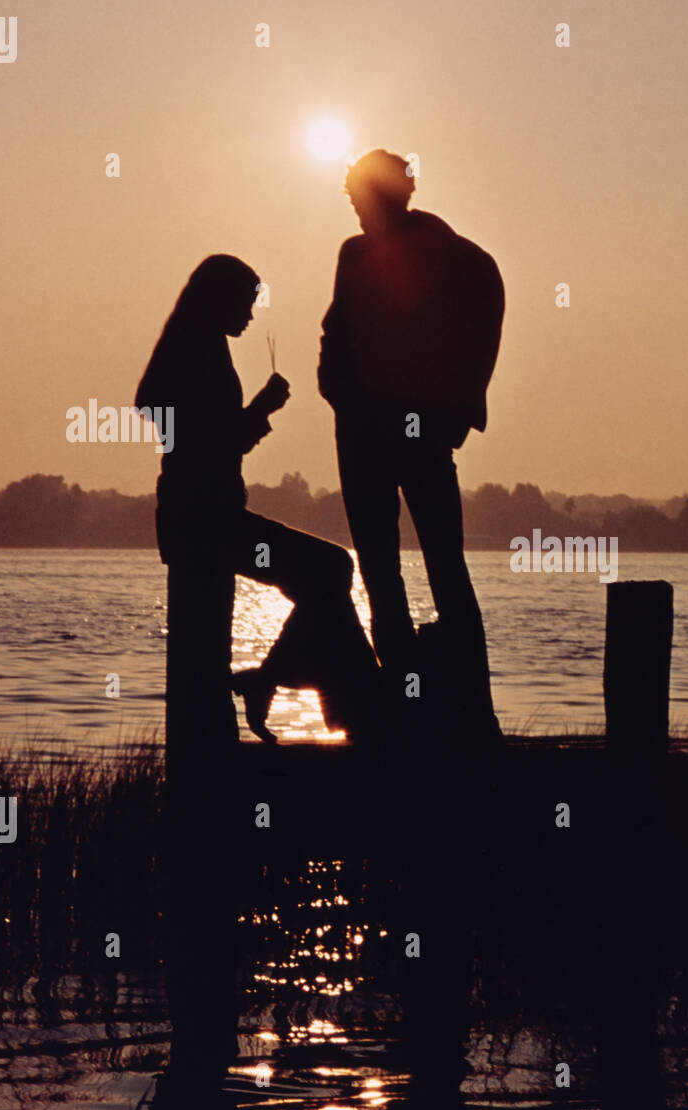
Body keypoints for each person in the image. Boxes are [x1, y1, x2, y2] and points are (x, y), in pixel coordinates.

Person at [136, 253, 382, 747]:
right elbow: (212, 441)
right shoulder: (196, 351)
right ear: (220, 298)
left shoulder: (193, 346)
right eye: (246, 303)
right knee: (330, 569)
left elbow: (198, 431)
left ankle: (307, 691)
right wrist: (261, 409)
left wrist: (249, 416)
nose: (251, 315)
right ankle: (312, 693)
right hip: (206, 524)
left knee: (329, 573)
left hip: (205, 518)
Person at [317, 150, 504, 745]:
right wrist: (337, 390)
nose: (355, 209)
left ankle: (473, 709)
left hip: (421, 433)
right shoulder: (353, 255)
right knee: (380, 572)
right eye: (351, 200)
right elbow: (335, 329)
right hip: (360, 432)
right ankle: (399, 704)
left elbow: (481, 332)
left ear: (394, 195)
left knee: (445, 566)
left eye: (360, 198)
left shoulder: (459, 259)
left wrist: (457, 415)